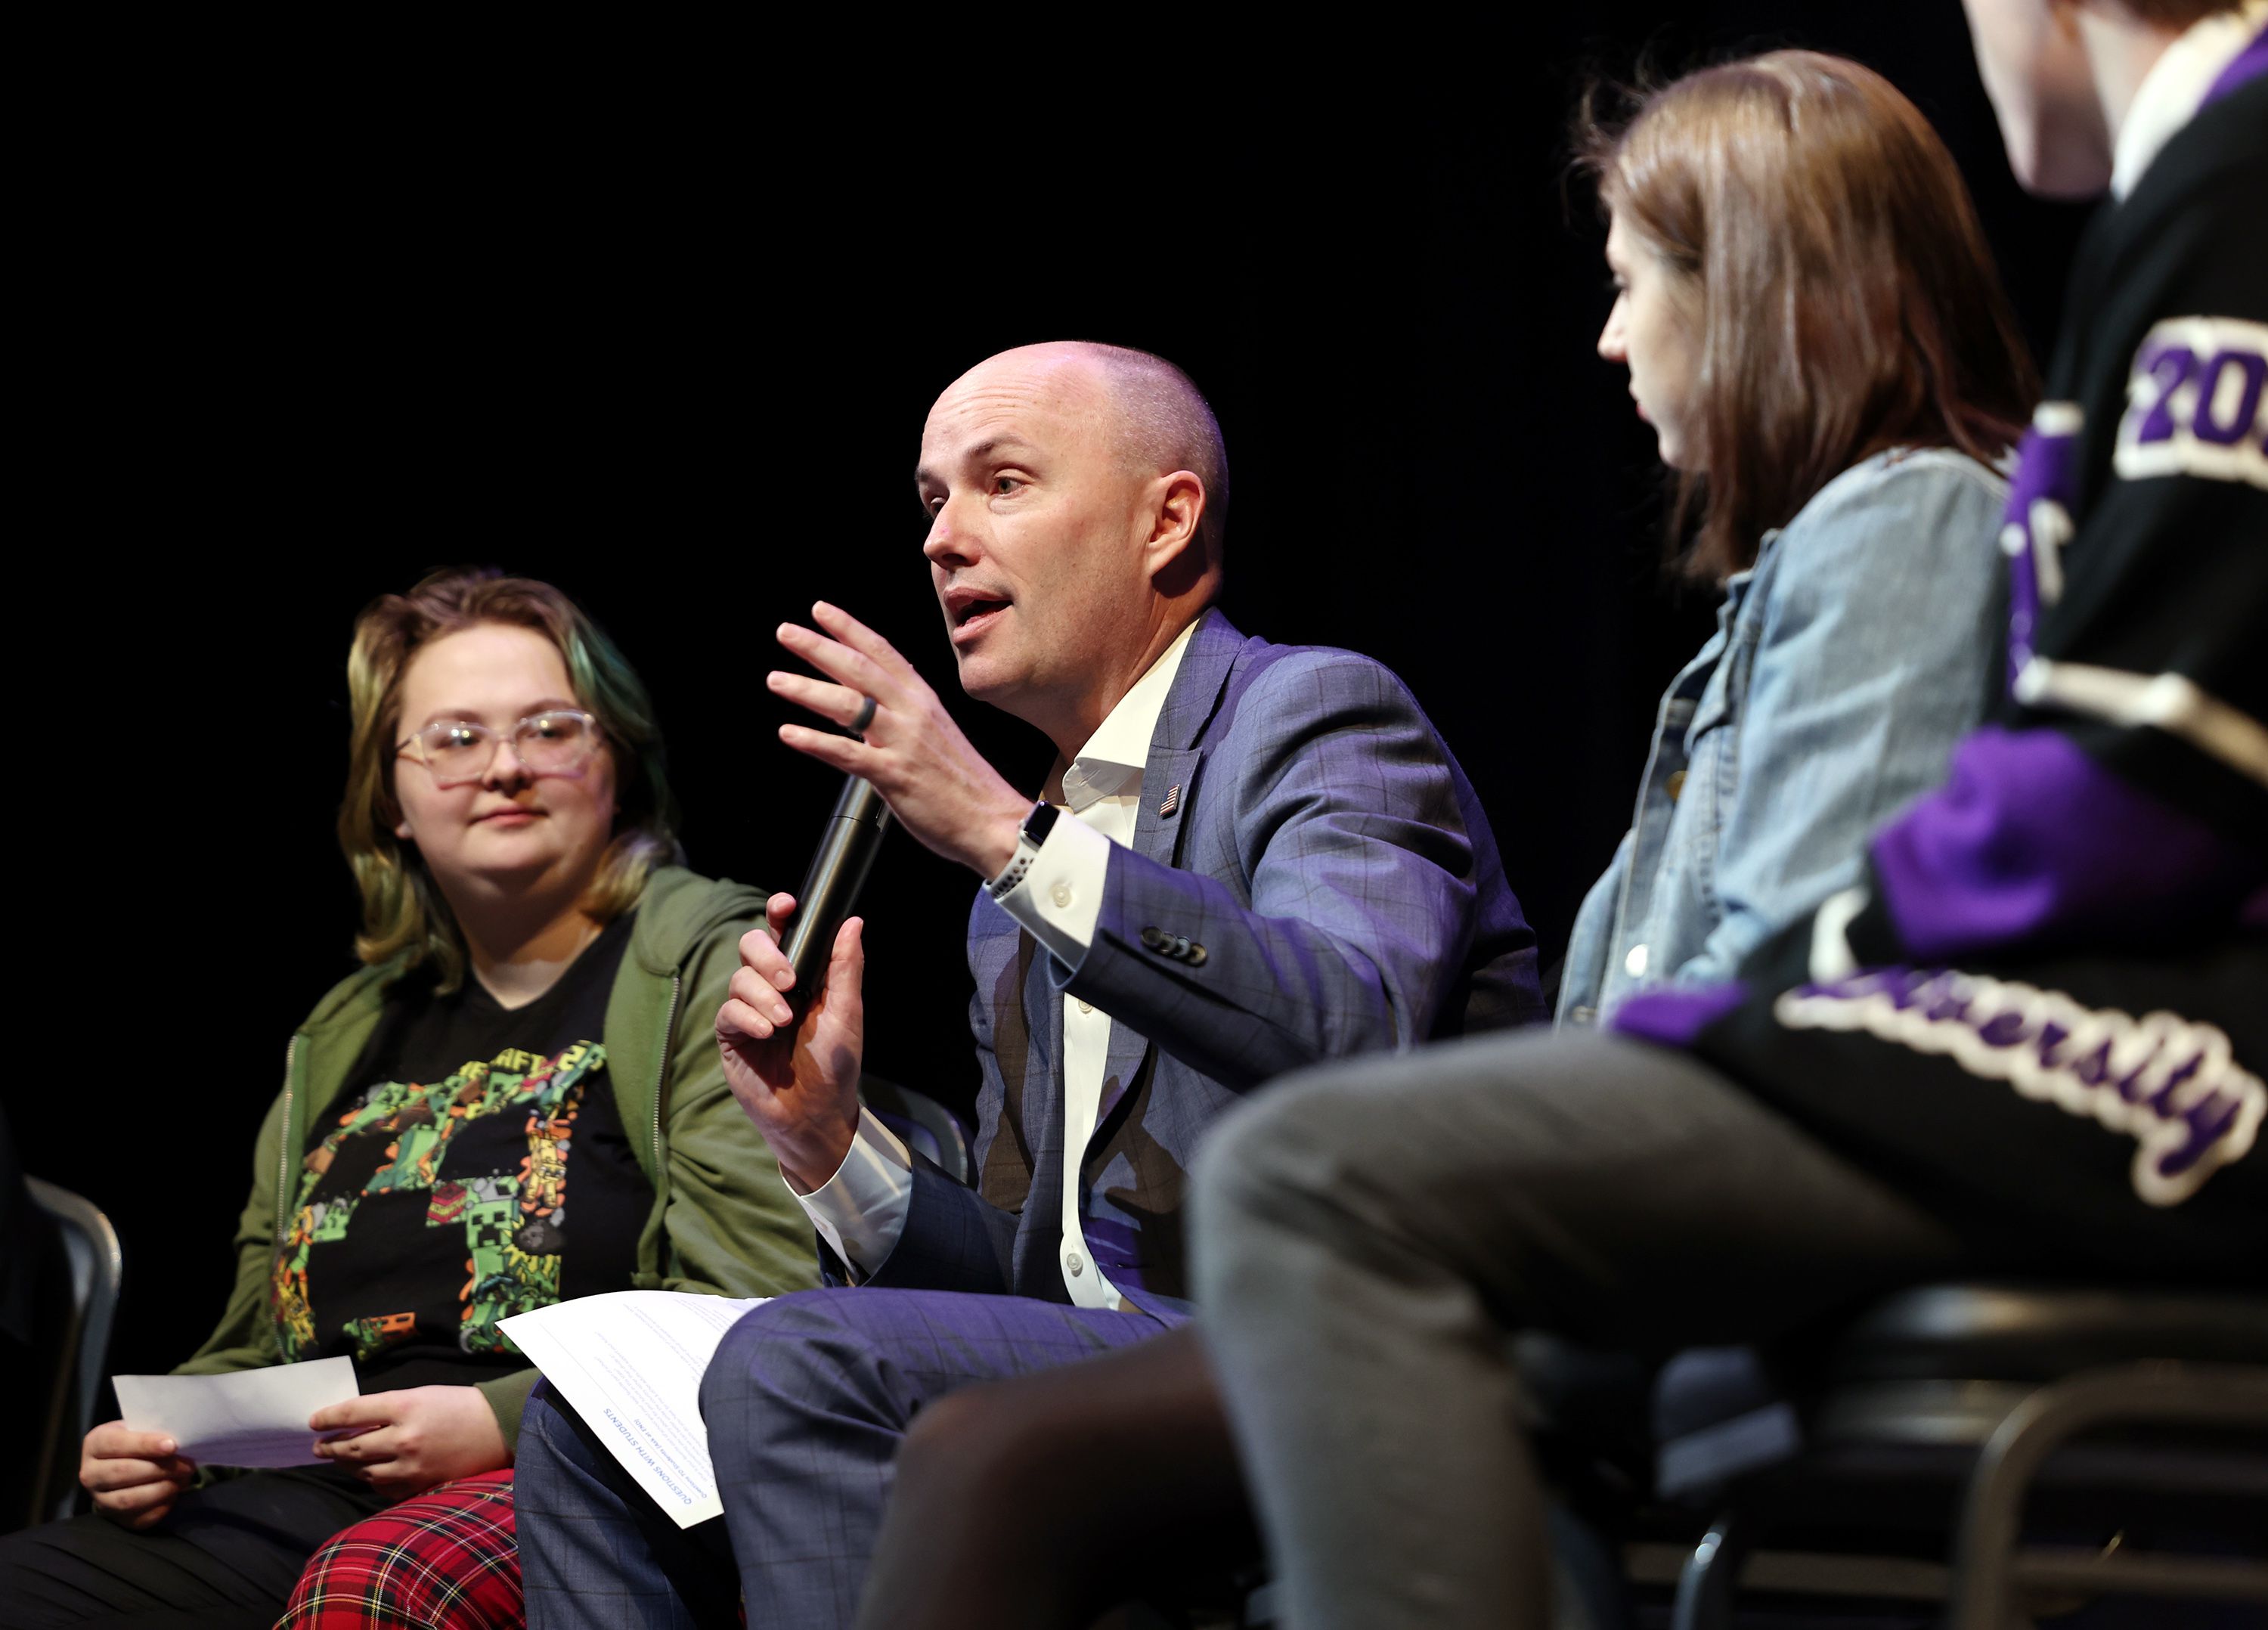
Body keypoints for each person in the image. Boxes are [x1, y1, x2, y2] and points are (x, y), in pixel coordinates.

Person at [850, 45, 2051, 1630]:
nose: (1613, 340)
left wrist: (1486, 1186)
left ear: (1757, 289)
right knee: (993, 1458)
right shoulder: (1805, 579)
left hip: (1724, 1270)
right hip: (1619, 1276)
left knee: (1033, 1422)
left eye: (1636, 286)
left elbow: (1789, 978)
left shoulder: (1907, 519)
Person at [1189, 5, 2265, 1627]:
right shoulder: (2167, 208)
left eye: (1629, 285)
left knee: (1300, 1190)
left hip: (2181, 1066)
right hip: (2095, 1037)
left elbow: (2145, 775)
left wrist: (1784, 984)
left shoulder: (2214, 187)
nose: (1607, 343)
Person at [513, 340, 1548, 1629]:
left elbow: (1355, 1027)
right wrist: (836, 1151)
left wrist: (1007, 838)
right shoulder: (1023, 891)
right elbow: (1037, 1282)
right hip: (1121, 1381)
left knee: (796, 1362)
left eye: (1002, 483)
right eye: (933, 500)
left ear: (1165, 521)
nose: (945, 540)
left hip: (1341, 1361)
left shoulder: (1313, 716)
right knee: (586, 1422)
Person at [0, 570, 818, 1630]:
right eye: (456, 738)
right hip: (298, 1498)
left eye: (549, 729)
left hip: (583, 1482)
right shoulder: (345, 1031)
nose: (508, 767)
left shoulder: (707, 962)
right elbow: (258, 1340)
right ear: (391, 800)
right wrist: (168, 1445)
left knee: (374, 1590)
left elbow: (750, 1305)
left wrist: (497, 1419)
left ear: (616, 761)